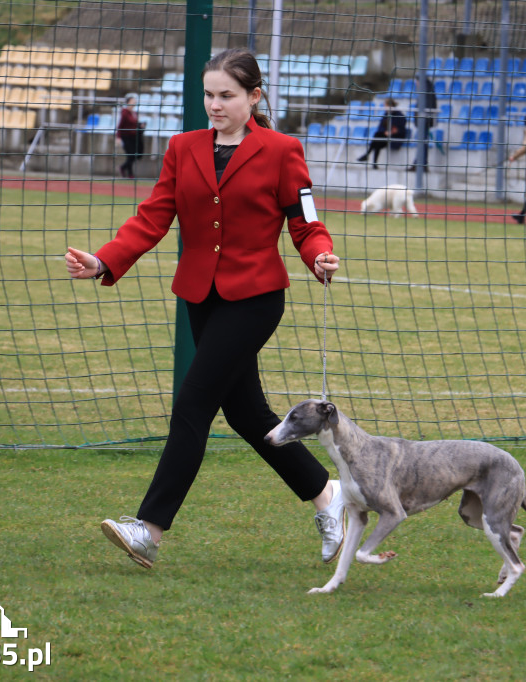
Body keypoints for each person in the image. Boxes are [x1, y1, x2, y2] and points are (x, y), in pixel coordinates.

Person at [64, 48, 346, 570]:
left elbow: (305, 223)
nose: (214, 106)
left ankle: (148, 530)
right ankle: (327, 496)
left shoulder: (284, 150)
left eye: (226, 96)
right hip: (201, 297)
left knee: (193, 402)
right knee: (247, 414)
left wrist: (319, 255)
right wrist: (104, 261)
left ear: (254, 97)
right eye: (208, 95)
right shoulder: (182, 148)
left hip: (257, 299)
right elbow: (152, 218)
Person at [357, 97, 407, 169]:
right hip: (386, 136)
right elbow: (380, 127)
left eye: (385, 106)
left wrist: (391, 132)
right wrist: (386, 132)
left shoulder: (399, 115)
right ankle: (373, 162)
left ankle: (368, 155)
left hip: (395, 137)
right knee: (377, 138)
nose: (384, 108)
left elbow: (401, 130)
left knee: (377, 137)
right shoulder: (386, 114)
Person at [407, 78, 437, 173]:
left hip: (424, 122)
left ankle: (421, 164)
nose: (416, 84)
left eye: (417, 81)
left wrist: (421, 119)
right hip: (423, 122)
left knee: (422, 142)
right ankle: (419, 163)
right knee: (422, 143)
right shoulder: (427, 91)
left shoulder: (426, 93)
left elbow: (425, 108)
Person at [116, 94, 145, 179]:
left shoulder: (134, 113)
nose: (134, 103)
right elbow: (120, 125)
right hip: (127, 137)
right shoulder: (125, 113)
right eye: (132, 101)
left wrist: (140, 126)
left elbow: (134, 124)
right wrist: (118, 137)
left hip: (134, 137)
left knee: (134, 155)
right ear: (128, 102)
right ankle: (128, 172)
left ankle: (126, 171)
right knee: (131, 155)